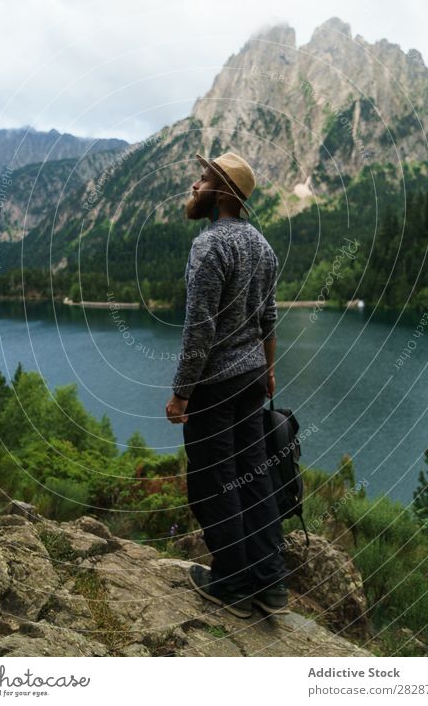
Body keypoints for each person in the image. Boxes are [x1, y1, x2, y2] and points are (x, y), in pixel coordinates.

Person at [165, 150, 288, 618]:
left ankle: (232, 584)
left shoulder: (209, 246)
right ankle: (270, 580)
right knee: (256, 477)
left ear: (222, 193)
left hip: (216, 383)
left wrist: (181, 391)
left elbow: (201, 328)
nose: (194, 185)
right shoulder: (264, 247)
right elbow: (269, 321)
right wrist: (269, 370)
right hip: (253, 377)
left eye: (203, 178)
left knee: (211, 481)